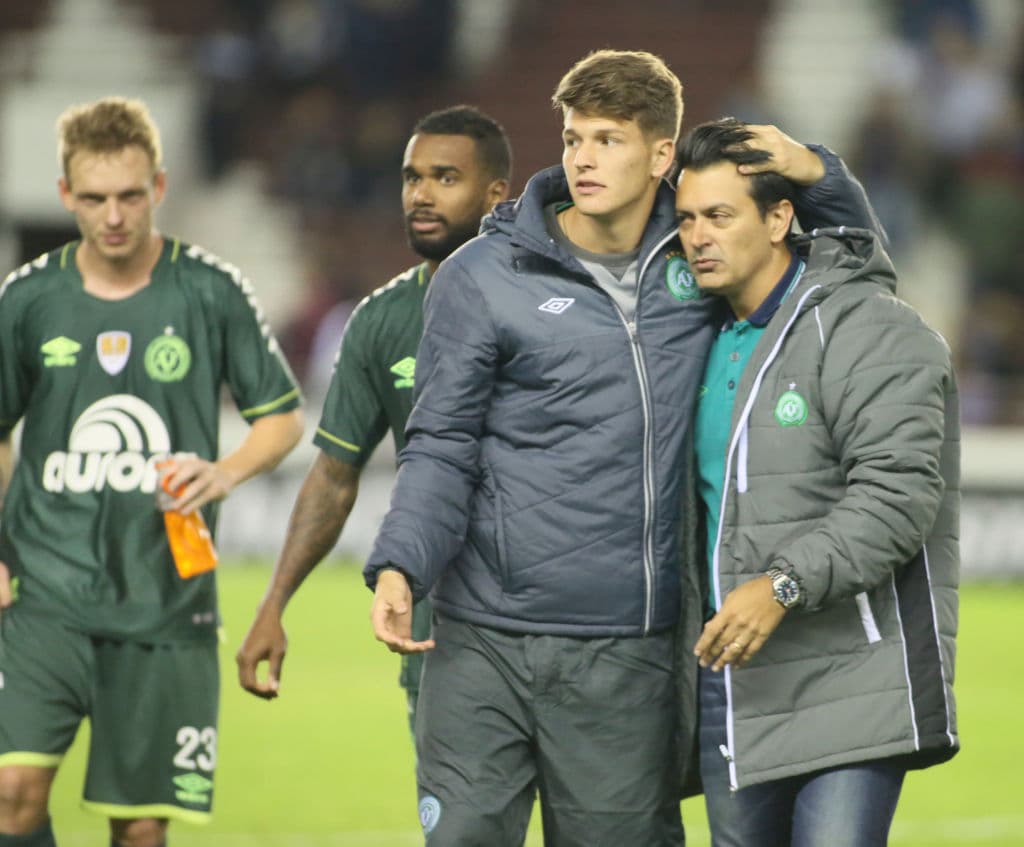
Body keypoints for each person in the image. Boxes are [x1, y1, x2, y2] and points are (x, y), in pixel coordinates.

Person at [364, 49, 885, 847]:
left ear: (661, 154)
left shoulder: (706, 255)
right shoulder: (481, 275)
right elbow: (441, 442)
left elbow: (850, 268)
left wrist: (815, 168)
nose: (582, 157)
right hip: (482, 641)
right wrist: (402, 561)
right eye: (574, 137)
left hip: (630, 649)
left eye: (608, 139)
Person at [0, 97, 304, 847]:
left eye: (130, 195)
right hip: (45, 592)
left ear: (159, 188)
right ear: (67, 194)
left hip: (167, 595)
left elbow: (282, 417)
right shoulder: (28, 299)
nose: (113, 215)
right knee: (12, 791)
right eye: (95, 198)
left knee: (139, 831)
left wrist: (227, 472)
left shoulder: (210, 290)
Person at [675, 117, 960, 846]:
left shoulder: (871, 328)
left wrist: (780, 584)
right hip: (733, 686)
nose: (697, 236)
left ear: (778, 219)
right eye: (685, 219)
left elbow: (898, 498)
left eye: (718, 216)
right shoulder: (685, 341)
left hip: (849, 683)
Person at [235, 105, 512, 734]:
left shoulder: (552, 303)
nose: (421, 194)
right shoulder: (381, 323)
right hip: (438, 633)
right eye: (412, 177)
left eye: (446, 178)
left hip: (555, 624)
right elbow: (334, 477)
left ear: (496, 194)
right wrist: (273, 603)